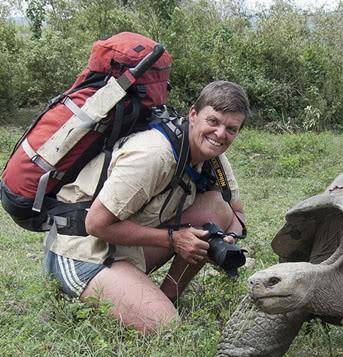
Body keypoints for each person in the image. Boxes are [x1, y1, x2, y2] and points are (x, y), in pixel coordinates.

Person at [43, 81, 250, 334]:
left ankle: (167, 297)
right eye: (213, 121)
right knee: (165, 327)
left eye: (231, 129)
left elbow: (235, 211)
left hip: (125, 244)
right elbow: (95, 223)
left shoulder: (212, 157)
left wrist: (228, 235)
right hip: (81, 249)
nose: (220, 134)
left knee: (217, 209)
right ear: (193, 114)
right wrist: (174, 239)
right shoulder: (154, 155)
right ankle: (132, 300)